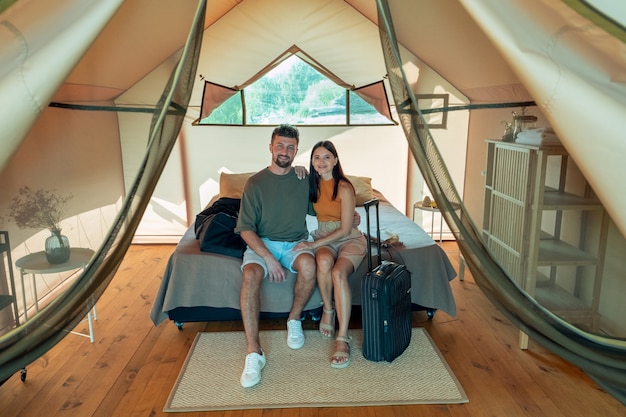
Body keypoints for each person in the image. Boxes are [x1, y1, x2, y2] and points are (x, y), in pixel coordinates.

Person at [235, 124, 317, 388]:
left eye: (290, 147)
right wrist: (269, 258)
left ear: (296, 151)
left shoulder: (303, 179)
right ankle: (253, 352)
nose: (285, 151)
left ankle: (294, 319)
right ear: (270, 147)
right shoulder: (255, 183)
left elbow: (323, 207)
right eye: (280, 145)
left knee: (309, 266)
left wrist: (349, 213)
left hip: (295, 244)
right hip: (263, 244)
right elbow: (245, 229)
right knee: (250, 275)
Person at [294, 140, 367, 368]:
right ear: (312, 162)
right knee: (324, 260)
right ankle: (328, 309)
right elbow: (285, 182)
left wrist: (311, 245)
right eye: (317, 157)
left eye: (327, 157)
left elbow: (345, 229)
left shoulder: (344, 187)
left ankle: (343, 338)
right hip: (324, 235)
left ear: (335, 160)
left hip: (349, 238)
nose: (322, 162)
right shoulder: (310, 183)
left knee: (337, 273)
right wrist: (297, 169)